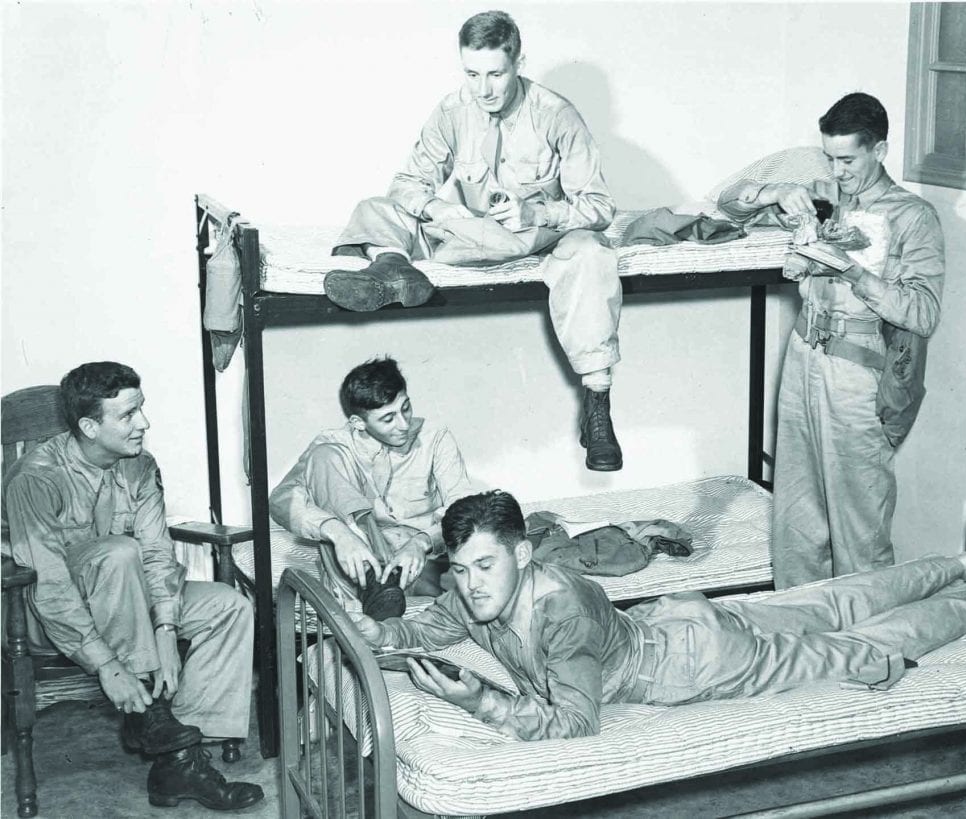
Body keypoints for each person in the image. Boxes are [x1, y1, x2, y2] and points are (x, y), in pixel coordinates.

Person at [349, 490, 966, 741]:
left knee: (863, 647)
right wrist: (382, 630)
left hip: (703, 663)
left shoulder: (561, 611)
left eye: (484, 567)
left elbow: (577, 723)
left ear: (524, 554)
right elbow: (426, 628)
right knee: (834, 597)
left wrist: (485, 705)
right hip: (679, 621)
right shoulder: (476, 591)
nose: (469, 587)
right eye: (459, 569)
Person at [324, 10, 624, 472]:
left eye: (495, 74)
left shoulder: (556, 115)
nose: (482, 89)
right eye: (472, 74)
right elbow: (406, 184)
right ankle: (391, 269)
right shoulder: (452, 110)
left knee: (590, 251)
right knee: (374, 208)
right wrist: (440, 209)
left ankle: (598, 407)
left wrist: (537, 211)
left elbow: (600, 207)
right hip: (471, 234)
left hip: (533, 239)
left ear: (519, 61)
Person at [1, 362, 263, 810]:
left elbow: (158, 552)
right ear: (88, 426)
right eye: (127, 415)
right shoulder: (36, 479)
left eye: (140, 409)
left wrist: (164, 629)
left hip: (129, 606)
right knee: (119, 552)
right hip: (48, 618)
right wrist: (107, 665)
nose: (144, 423)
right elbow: (51, 588)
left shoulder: (139, 467)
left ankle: (180, 760)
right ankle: (154, 720)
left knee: (229, 605)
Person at [717, 93, 945, 588]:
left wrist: (853, 272)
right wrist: (774, 192)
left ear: (879, 150)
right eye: (830, 158)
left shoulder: (913, 216)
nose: (838, 171)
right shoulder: (827, 195)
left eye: (848, 160)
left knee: (859, 523)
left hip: (857, 374)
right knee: (796, 519)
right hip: (803, 358)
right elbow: (728, 203)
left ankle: (867, 647)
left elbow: (924, 314)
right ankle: (802, 635)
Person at [269, 357, 474, 614]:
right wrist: (337, 532)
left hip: (422, 563)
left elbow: (464, 506)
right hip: (360, 563)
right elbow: (281, 499)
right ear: (358, 423)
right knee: (324, 457)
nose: (404, 424)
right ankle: (372, 592)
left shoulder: (436, 437)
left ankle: (377, 605)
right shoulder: (334, 444)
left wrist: (422, 542)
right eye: (388, 419)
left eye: (406, 408)